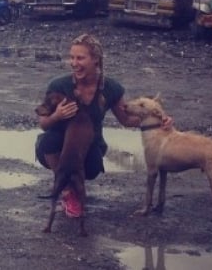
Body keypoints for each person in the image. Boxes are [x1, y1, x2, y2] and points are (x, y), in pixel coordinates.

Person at [35, 33, 168, 217]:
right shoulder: (59, 85)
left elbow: (127, 120)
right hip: (59, 144)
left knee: (92, 168)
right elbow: (43, 124)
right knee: (47, 141)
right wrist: (57, 115)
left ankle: (74, 186)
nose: (74, 63)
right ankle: (67, 191)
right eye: (71, 57)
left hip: (90, 144)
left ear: (95, 59)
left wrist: (158, 121)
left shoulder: (110, 87)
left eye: (80, 58)